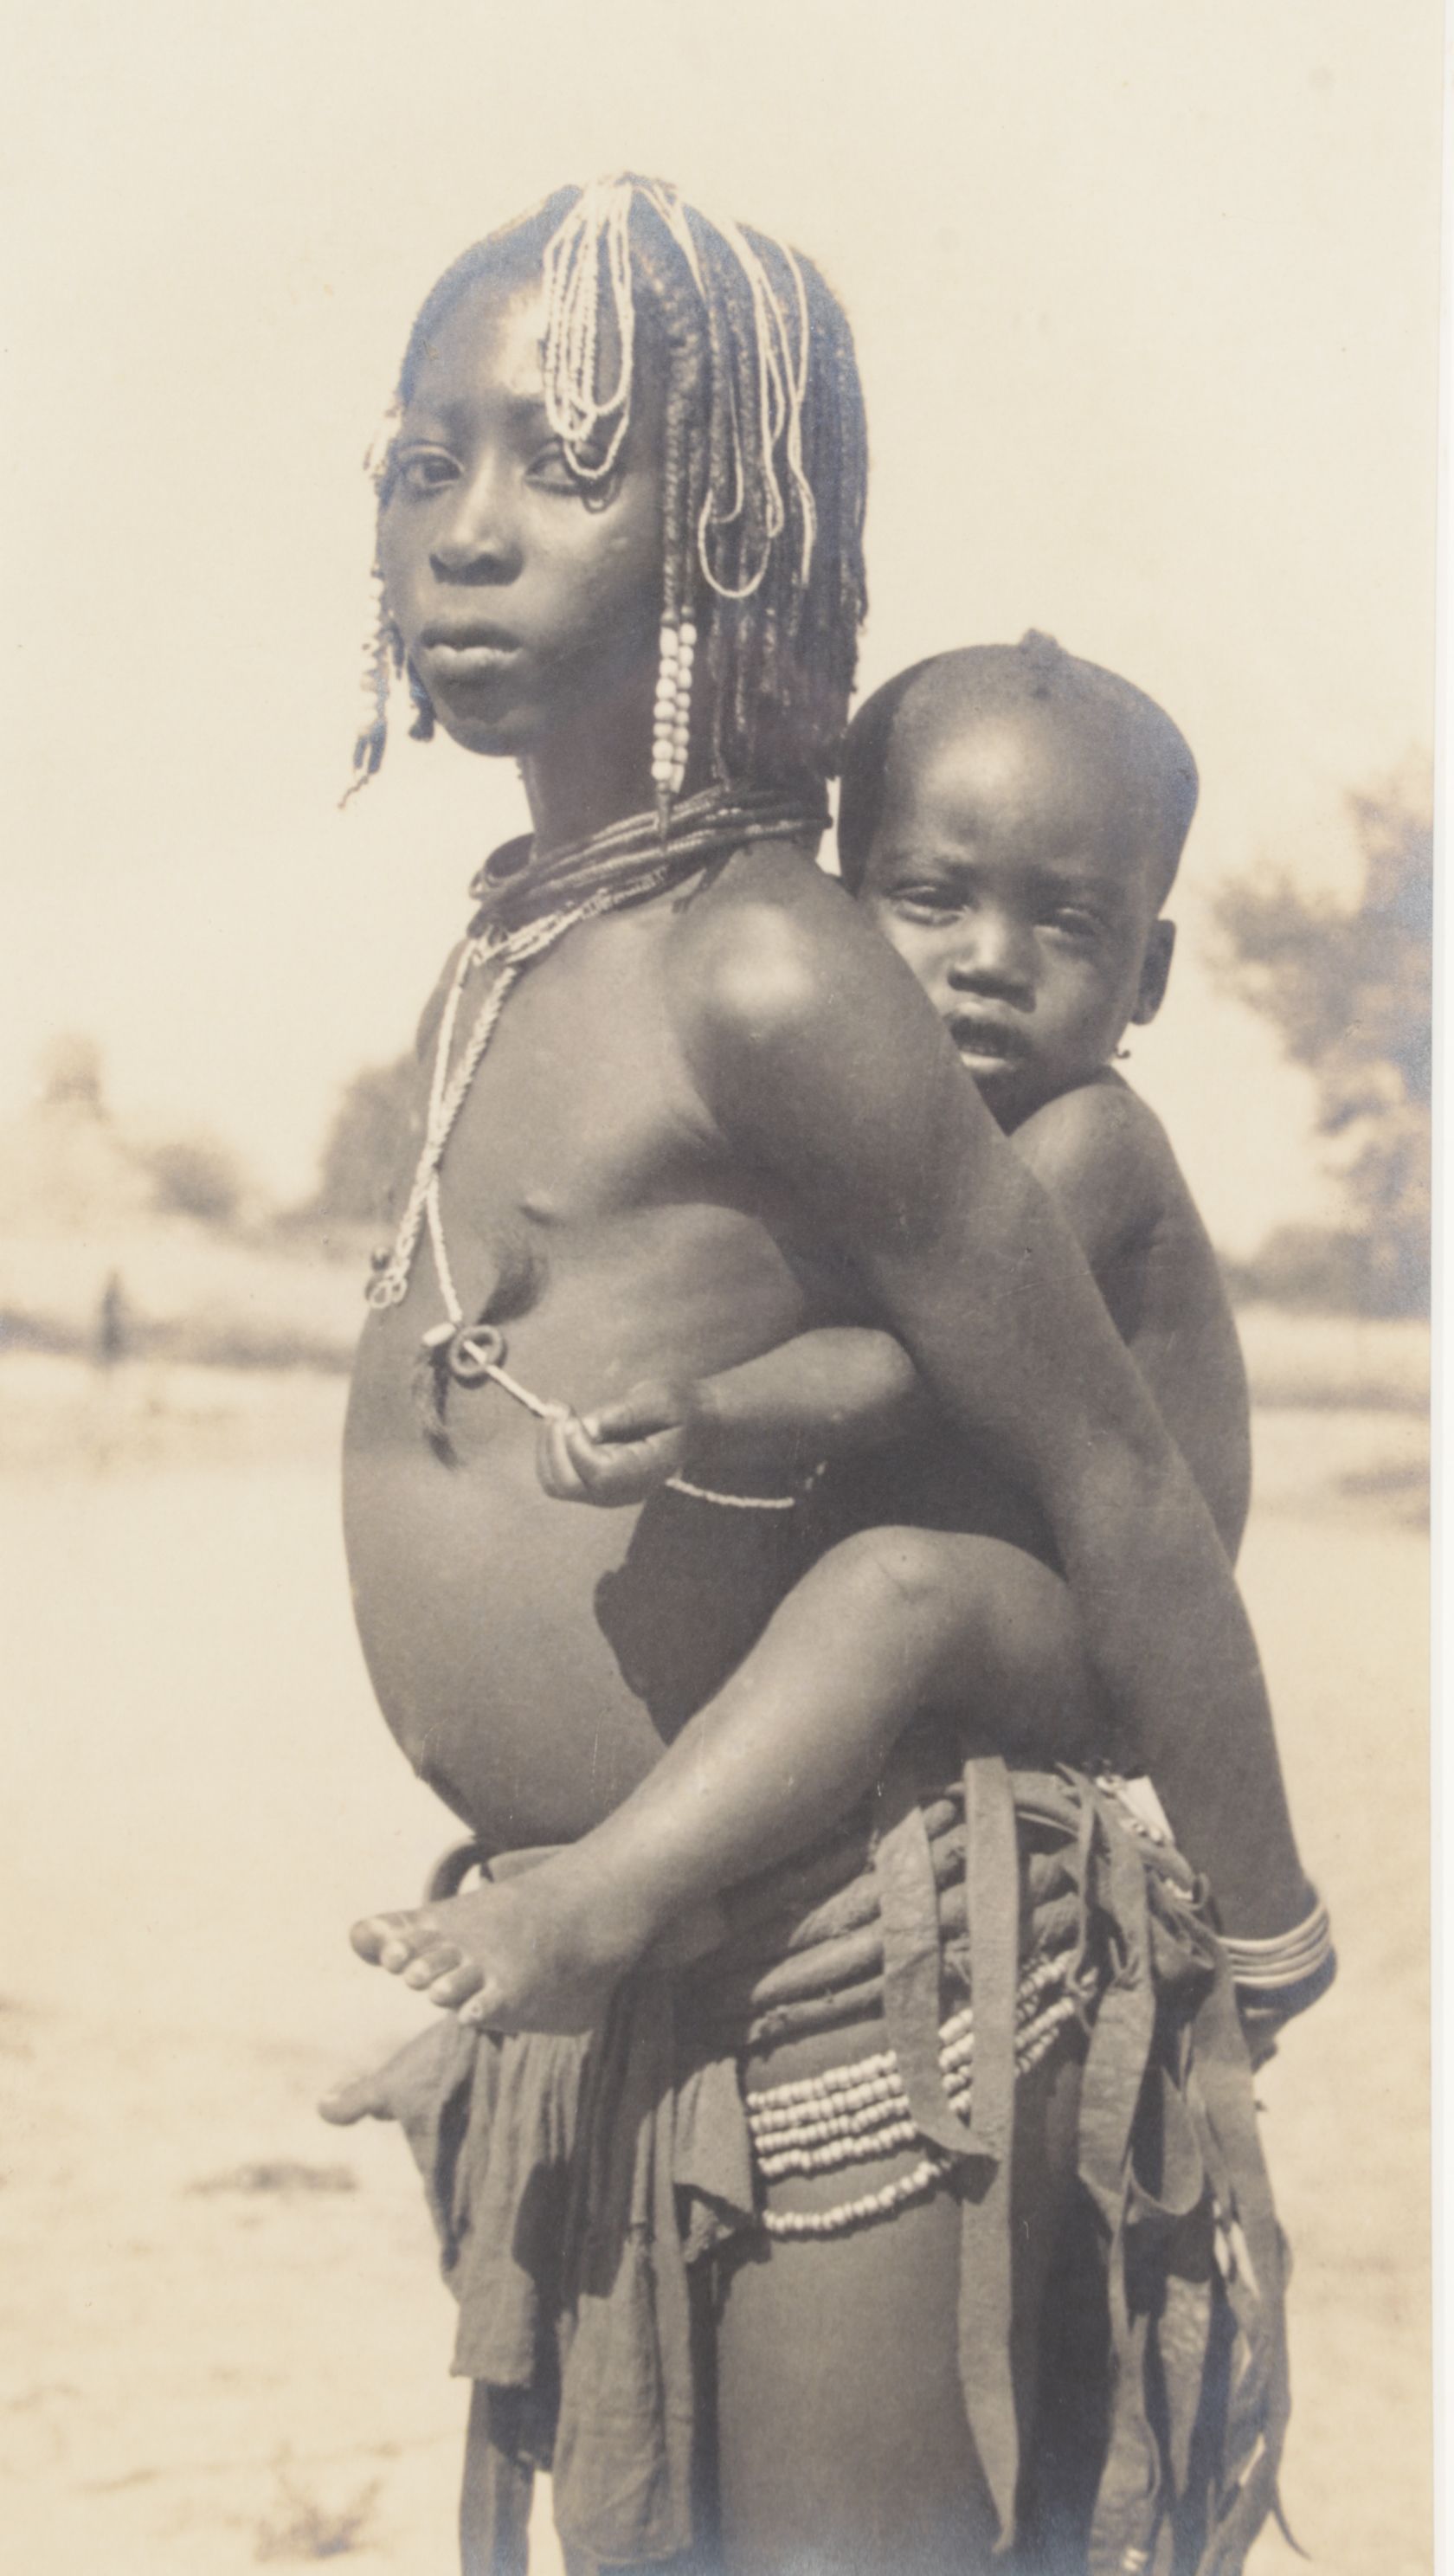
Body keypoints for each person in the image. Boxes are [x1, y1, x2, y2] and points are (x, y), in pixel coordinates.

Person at [326, 178, 1314, 2574]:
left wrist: (1263, 1918)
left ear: (735, 539)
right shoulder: (529, 944)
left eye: (559, 469)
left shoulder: (772, 969)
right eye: (416, 463)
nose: (464, 537)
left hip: (855, 1978)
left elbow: (1114, 1467)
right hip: (630, 1961)